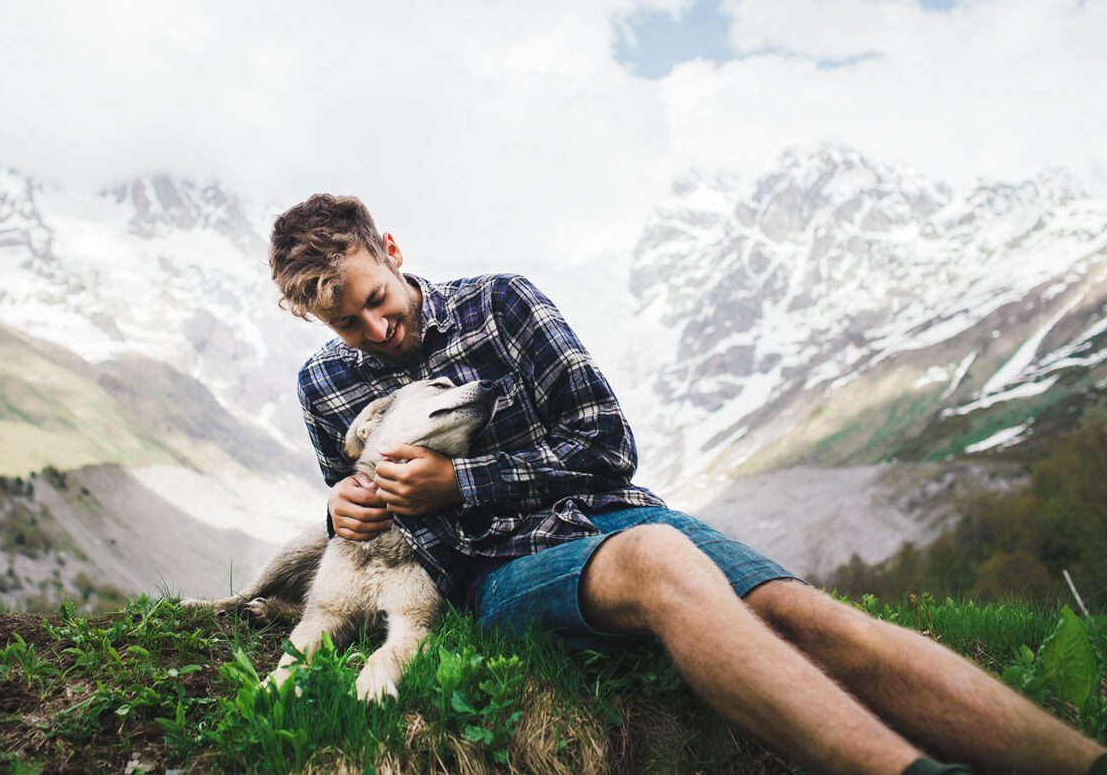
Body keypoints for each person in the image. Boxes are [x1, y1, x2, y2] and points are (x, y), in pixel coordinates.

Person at [271, 193, 1107, 775]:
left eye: (378, 299)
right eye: (348, 322)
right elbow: (368, 522)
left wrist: (463, 479)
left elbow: (609, 444)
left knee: (800, 610)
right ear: (316, 321)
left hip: (614, 509)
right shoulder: (324, 387)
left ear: (391, 251)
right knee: (658, 561)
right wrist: (350, 506)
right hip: (497, 568)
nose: (377, 329)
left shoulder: (504, 303)